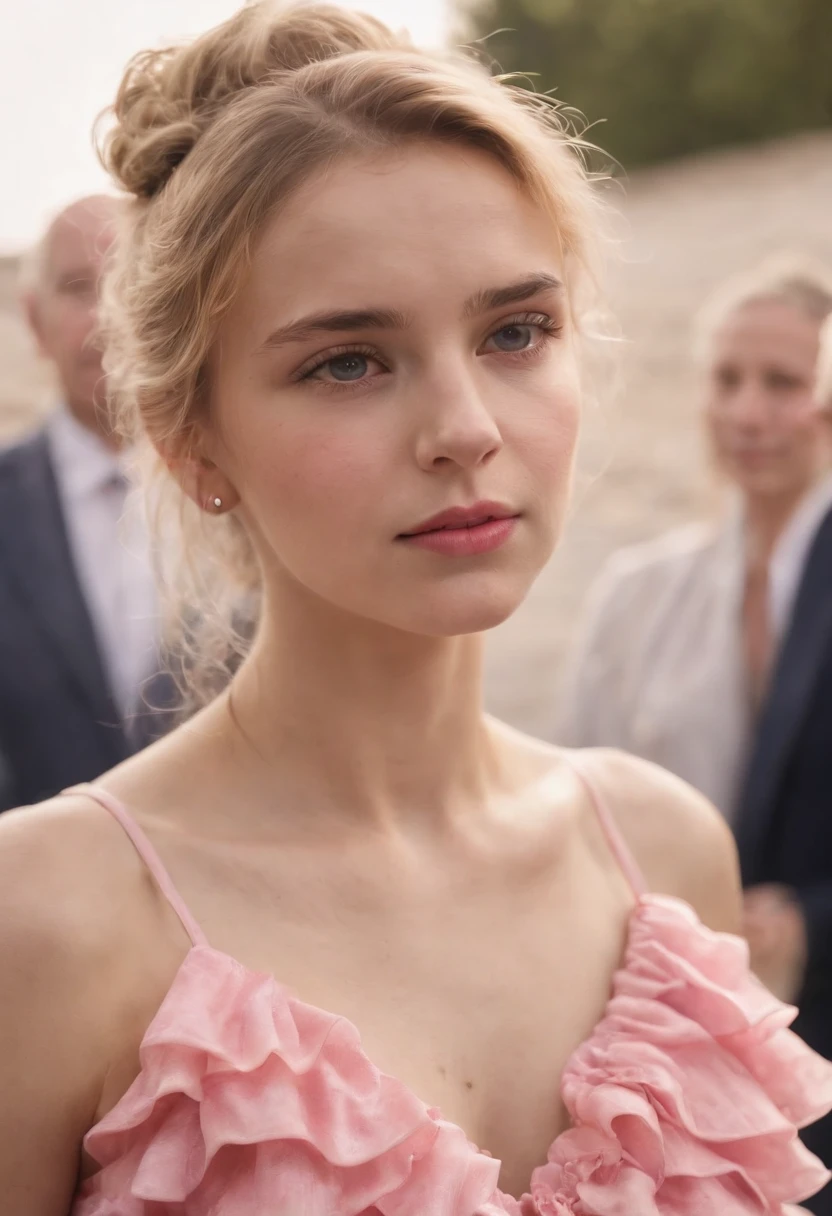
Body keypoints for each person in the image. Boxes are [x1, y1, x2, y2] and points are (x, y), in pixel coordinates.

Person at [2, 6, 831, 1214]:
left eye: (515, 331)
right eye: (348, 360)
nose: (466, 429)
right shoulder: (51, 921)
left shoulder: (659, 855)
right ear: (191, 442)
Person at [558, 261, 832, 1208]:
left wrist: (808, 916)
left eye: (783, 383)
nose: (748, 413)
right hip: (664, 1039)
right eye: (728, 380)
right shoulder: (635, 596)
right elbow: (574, 815)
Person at [0, 196, 168, 811]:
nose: (110, 316)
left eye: (132, 282)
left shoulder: (256, 491)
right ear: (35, 321)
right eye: (79, 287)